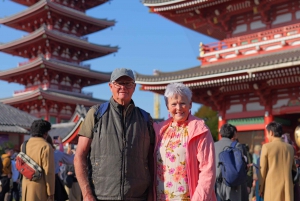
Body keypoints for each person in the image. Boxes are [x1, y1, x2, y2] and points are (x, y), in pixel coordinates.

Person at [74, 68, 155, 201]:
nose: (123, 87)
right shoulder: (96, 114)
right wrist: (87, 194)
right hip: (101, 196)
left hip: (138, 196)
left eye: (128, 83)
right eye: (119, 83)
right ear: (111, 86)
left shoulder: (145, 118)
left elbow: (152, 160)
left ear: (134, 87)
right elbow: (79, 156)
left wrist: (152, 193)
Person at [153, 82, 216, 201]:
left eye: (183, 103)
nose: (178, 108)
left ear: (190, 104)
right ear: (167, 106)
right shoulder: (159, 130)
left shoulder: (200, 130)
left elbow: (208, 170)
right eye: (173, 104)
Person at [259, 121, 296, 201]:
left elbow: (262, 170)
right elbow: (294, 169)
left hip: (272, 188)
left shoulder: (266, 147)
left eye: (267, 133)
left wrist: (260, 188)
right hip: (287, 188)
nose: (268, 136)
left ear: (271, 133)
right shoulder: (290, 148)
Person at [21, 119, 55, 201]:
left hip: (26, 185)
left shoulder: (24, 145)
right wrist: (50, 193)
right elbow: (49, 172)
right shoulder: (46, 147)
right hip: (39, 187)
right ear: (45, 133)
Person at [215, 123, 246, 201]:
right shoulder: (237, 146)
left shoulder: (213, 145)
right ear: (233, 133)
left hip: (216, 184)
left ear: (221, 133)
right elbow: (241, 165)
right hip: (233, 184)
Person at [46, 136, 74, 201]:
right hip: (54, 180)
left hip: (40, 181)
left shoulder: (33, 152)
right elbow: (70, 159)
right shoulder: (55, 153)